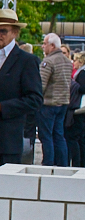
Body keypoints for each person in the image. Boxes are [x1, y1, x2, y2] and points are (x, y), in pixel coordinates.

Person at [0, 8, 42, 166]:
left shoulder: (27, 61)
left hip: (7, 139)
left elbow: (35, 99)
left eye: (3, 31)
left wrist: (1, 107)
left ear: (15, 32)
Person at [38, 33, 73, 167]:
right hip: (63, 102)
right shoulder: (67, 61)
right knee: (59, 135)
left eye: (45, 43)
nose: (43, 46)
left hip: (49, 103)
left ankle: (48, 163)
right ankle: (62, 164)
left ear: (52, 46)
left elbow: (41, 85)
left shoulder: (49, 61)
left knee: (46, 136)